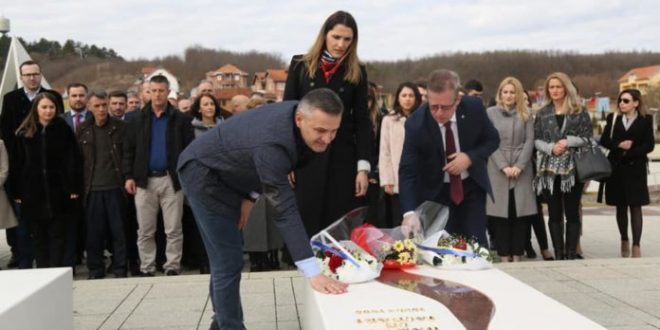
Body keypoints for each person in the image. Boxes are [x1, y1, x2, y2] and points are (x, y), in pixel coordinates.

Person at [177, 88, 348, 329]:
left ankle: (221, 323)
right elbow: (284, 208)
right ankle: (230, 326)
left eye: (334, 132)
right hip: (204, 174)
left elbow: (261, 162)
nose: (327, 139)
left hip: (234, 173)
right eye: (320, 131)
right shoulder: (274, 141)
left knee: (225, 257)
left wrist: (250, 196)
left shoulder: (301, 119)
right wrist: (312, 272)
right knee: (228, 259)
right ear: (300, 119)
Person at [283, 10, 371, 237]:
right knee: (307, 220)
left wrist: (363, 168)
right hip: (306, 157)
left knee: (339, 226)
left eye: (347, 39)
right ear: (325, 35)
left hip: (342, 159)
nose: (341, 44)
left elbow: (362, 121)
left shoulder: (357, 71)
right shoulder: (300, 65)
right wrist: (288, 158)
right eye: (336, 37)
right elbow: (288, 112)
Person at [399, 69, 499, 245]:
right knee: (442, 249)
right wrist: (409, 213)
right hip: (435, 195)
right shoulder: (416, 124)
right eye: (433, 106)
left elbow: (492, 140)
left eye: (445, 107)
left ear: (458, 100)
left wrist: (469, 157)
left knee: (476, 247)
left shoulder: (474, 108)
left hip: (470, 190)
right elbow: (408, 171)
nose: (438, 113)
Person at [122, 75, 194, 276]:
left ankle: (172, 266)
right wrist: (128, 176)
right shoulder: (135, 119)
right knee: (145, 230)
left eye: (161, 90)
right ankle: (147, 267)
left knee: (173, 228)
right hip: (144, 181)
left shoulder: (180, 119)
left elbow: (189, 150)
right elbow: (128, 150)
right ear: (148, 92)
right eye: (153, 91)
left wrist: (185, 176)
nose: (157, 95)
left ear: (168, 91)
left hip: (171, 180)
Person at [0, 60, 64, 269]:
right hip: (20, 166)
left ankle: (48, 259)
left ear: (40, 74)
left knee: (47, 220)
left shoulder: (52, 96)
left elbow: (60, 129)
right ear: (21, 77)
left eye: (35, 74)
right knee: (20, 220)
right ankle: (19, 254)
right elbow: (7, 134)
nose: (32, 78)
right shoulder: (10, 99)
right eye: (27, 75)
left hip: (49, 169)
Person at [10, 92, 82, 268]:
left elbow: (73, 159)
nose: (48, 111)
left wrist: (73, 186)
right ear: (36, 109)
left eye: (51, 107)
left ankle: (57, 270)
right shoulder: (24, 132)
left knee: (58, 235)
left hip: (59, 191)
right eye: (44, 107)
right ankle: (43, 270)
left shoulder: (63, 130)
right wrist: (17, 190)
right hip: (33, 193)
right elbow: (17, 163)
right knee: (39, 236)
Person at [533, 72, 592, 260]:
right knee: (554, 212)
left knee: (573, 212)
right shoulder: (542, 113)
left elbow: (588, 138)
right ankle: (559, 253)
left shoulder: (579, 110)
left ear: (566, 88)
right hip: (549, 170)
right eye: (552, 87)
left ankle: (571, 253)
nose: (555, 90)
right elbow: (536, 140)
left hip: (573, 169)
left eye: (559, 86)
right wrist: (551, 147)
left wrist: (568, 142)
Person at [485, 77, 537, 262]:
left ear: (518, 94)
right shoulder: (490, 113)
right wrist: (503, 166)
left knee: (519, 213)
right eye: (505, 92)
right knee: (500, 214)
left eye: (512, 92)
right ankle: (503, 254)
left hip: (521, 168)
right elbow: (489, 141)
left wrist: (520, 165)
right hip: (497, 167)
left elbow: (529, 140)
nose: (508, 95)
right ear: (500, 94)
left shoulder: (526, 114)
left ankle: (517, 253)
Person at [77, 91, 128, 278]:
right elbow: (79, 161)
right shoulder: (82, 129)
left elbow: (127, 155)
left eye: (103, 105)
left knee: (119, 232)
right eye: (96, 106)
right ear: (89, 107)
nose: (101, 109)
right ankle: (95, 269)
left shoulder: (121, 127)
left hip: (116, 188)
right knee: (94, 234)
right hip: (92, 189)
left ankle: (120, 268)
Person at [600, 89, 654, 258]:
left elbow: (649, 145)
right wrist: (619, 146)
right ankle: (624, 239)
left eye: (626, 100)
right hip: (616, 169)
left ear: (636, 103)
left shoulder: (646, 120)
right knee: (620, 206)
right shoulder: (613, 118)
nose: (621, 104)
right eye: (620, 101)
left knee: (636, 206)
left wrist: (631, 151)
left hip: (636, 169)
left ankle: (636, 245)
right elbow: (604, 141)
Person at [379, 82, 421, 227]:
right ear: (398, 98)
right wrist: (387, 179)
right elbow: (385, 151)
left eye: (411, 95)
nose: (407, 99)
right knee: (399, 221)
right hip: (396, 178)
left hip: (419, 176)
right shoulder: (389, 120)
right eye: (404, 95)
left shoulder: (423, 118)